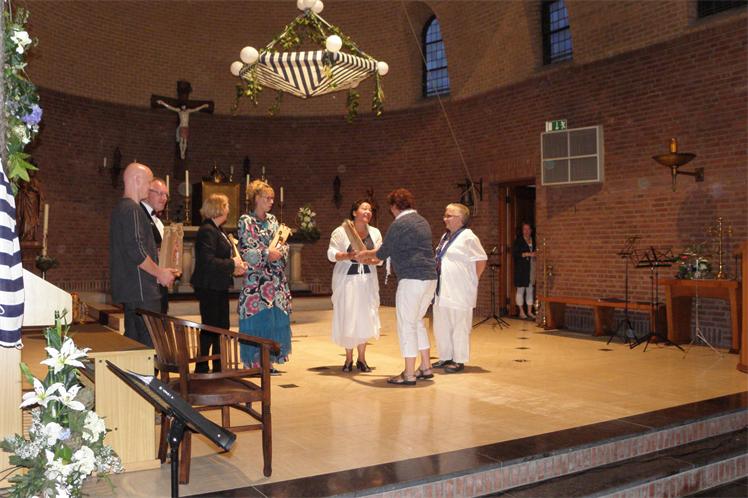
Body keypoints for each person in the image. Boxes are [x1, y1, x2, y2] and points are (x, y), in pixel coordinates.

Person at [357, 189, 437, 386]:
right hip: (430, 278)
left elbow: (383, 252)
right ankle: (426, 366)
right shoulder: (422, 221)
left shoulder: (399, 223)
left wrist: (365, 254)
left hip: (412, 279)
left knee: (407, 325)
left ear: (394, 206)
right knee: (417, 321)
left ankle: (409, 374)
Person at [110, 163, 176, 347]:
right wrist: (160, 273)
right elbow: (136, 251)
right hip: (142, 291)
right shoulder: (132, 209)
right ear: (137, 180)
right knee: (150, 346)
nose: (149, 187)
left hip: (132, 290)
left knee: (134, 346)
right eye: (148, 182)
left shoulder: (121, 208)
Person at [237, 180, 292, 372]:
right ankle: (254, 362)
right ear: (257, 198)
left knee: (274, 320)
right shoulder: (246, 221)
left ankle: (269, 361)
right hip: (256, 282)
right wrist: (267, 254)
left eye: (272, 198)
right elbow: (246, 250)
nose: (271, 201)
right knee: (257, 320)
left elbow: (283, 245)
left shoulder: (273, 220)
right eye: (267, 198)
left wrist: (279, 252)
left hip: (275, 280)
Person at [191, 194, 247, 373]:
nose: (229, 208)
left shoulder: (218, 229)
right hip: (209, 286)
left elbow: (220, 258)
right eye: (227, 205)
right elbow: (207, 261)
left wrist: (234, 267)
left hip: (218, 284)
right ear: (219, 208)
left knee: (221, 326)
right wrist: (232, 263)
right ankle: (202, 366)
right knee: (210, 328)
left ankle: (218, 365)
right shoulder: (207, 230)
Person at [327, 200, 382, 372]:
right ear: (354, 212)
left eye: (370, 209)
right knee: (348, 317)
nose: (368, 212)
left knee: (365, 318)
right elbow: (331, 254)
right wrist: (348, 256)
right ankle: (348, 358)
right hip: (347, 282)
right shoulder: (341, 231)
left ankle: (362, 359)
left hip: (367, 281)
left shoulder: (375, 232)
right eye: (364, 208)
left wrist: (368, 260)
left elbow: (380, 257)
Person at [432, 203, 487, 373]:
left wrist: (472, 281)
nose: (445, 219)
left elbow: (481, 260)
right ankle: (445, 356)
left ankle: (459, 359)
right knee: (442, 325)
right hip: (442, 289)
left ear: (460, 219)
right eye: (445, 215)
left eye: (449, 216)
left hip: (460, 291)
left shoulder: (469, 237)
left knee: (459, 326)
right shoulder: (445, 237)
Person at [140, 177, 169, 313]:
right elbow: (139, 250)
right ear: (147, 193)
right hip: (146, 285)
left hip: (158, 283)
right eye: (160, 193)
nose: (164, 198)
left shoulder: (157, 220)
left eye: (166, 195)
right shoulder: (140, 215)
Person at [512, 222, 537, 319]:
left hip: (531, 267)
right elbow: (515, 254)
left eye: (528, 229)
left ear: (531, 230)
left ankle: (530, 311)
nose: (526, 231)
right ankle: (521, 311)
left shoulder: (534, 240)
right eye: (524, 229)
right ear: (522, 231)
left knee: (530, 289)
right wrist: (527, 254)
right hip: (521, 269)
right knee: (520, 290)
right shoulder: (518, 241)